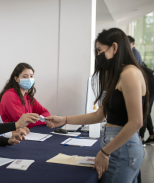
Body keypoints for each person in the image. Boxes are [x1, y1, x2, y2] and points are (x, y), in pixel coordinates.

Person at [45, 28, 148, 182]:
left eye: (100, 51)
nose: (98, 56)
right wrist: (64, 120)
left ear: (114, 47)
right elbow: (99, 115)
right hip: (117, 146)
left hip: (121, 148)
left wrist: (105, 152)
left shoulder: (130, 74)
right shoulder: (118, 74)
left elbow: (136, 122)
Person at [0, 63, 50, 128]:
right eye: (25, 77)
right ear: (16, 79)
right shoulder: (9, 96)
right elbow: (22, 122)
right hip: (11, 134)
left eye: (31, 76)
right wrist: (43, 120)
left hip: (27, 132)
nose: (29, 79)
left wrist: (40, 119)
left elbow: (45, 112)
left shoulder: (27, 96)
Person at [139, 63, 154, 145]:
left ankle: (141, 139)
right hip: (151, 80)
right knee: (146, 111)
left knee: (144, 110)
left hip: (151, 82)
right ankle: (152, 135)